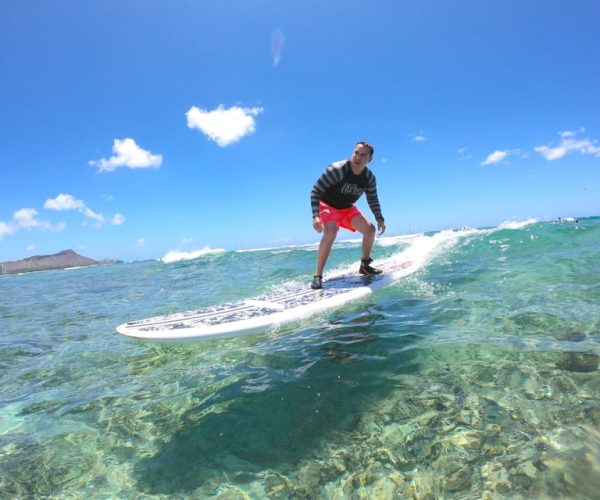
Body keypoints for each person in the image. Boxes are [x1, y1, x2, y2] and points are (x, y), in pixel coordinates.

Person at [310, 141, 386, 289]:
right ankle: (318, 276)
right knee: (331, 231)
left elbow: (372, 199)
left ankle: (365, 265)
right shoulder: (337, 170)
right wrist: (315, 216)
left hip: (347, 208)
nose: (358, 157)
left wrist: (379, 218)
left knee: (370, 230)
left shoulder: (369, 178)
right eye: (356, 153)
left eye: (363, 155)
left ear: (369, 160)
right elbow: (316, 191)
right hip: (327, 205)